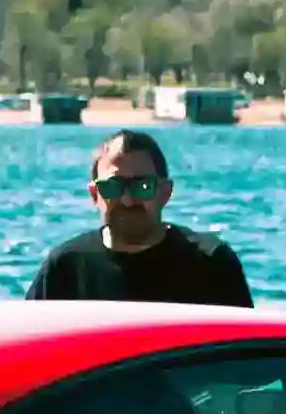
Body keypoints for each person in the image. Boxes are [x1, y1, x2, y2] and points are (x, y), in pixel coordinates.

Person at [27, 130, 254, 306]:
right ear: (95, 194)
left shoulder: (211, 265)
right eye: (113, 187)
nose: (127, 200)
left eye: (142, 187)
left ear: (165, 193)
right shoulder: (65, 270)